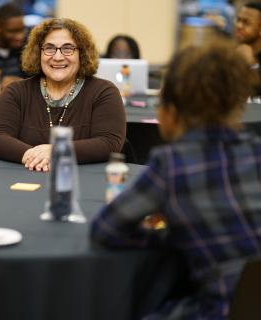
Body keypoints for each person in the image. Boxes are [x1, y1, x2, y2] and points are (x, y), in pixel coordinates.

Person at [91, 41, 260, 319]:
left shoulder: (173, 164)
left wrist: (167, 237)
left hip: (220, 309)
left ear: (171, 111)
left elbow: (106, 230)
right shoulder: (254, 148)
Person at [0, 18, 126, 171]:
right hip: (23, 180)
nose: (58, 57)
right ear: (38, 53)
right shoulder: (16, 92)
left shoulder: (104, 92)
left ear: (82, 53)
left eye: (67, 48)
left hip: (83, 184)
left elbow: (109, 143)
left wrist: (56, 151)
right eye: (49, 48)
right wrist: (33, 156)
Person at [235, 2, 261, 96]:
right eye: (238, 20)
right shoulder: (231, 54)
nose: (238, 26)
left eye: (246, 22)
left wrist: (252, 66)